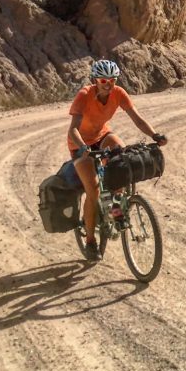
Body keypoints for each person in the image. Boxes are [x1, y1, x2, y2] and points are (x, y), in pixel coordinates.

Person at [68, 59, 168, 260]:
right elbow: (72, 130)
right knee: (94, 190)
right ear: (96, 80)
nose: (108, 84)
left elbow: (137, 119)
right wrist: (83, 148)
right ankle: (90, 241)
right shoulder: (84, 95)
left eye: (112, 80)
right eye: (103, 80)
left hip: (102, 136)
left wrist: (155, 136)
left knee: (122, 163)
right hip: (80, 145)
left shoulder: (119, 93)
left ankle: (116, 211)